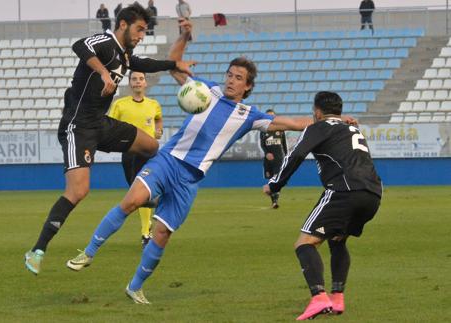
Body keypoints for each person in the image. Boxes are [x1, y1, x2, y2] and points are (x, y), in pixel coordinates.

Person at [65, 20, 356, 304]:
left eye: (238, 78)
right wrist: (183, 35)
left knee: (162, 234)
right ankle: (88, 252)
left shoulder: (249, 114)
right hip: (168, 159)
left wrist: (336, 120)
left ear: (248, 86)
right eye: (229, 74)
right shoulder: (205, 90)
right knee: (131, 201)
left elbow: (292, 123)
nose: (231, 80)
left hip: (190, 179)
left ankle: (135, 287)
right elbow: (175, 62)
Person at [24, 3, 195, 275]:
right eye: (139, 29)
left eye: (145, 31)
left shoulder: (126, 55)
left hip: (101, 125)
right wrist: (103, 72)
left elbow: (145, 64)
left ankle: (141, 191)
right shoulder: (105, 41)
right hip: (77, 127)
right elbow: (80, 45)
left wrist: (176, 63)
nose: (142, 35)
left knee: (150, 145)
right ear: (124, 24)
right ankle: (37, 250)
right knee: (79, 191)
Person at [263, 91, 382, 320]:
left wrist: (275, 184)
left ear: (316, 111)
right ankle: (337, 297)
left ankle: (318, 297)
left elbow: (295, 156)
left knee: (304, 243)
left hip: (344, 191)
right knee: (337, 240)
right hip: (373, 194)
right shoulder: (352, 128)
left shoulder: (317, 127)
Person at [108, 71, 163, 247]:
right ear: (130, 83)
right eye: (134, 79)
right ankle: (150, 221)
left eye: (141, 79)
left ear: (145, 83)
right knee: (136, 193)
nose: (138, 82)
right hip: (129, 152)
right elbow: (109, 125)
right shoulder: (120, 105)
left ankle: (146, 233)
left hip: (148, 153)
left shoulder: (154, 104)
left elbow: (158, 119)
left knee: (142, 192)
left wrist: (158, 130)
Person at [259, 109, 287, 209]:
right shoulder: (263, 130)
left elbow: (284, 145)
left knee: (276, 179)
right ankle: (273, 200)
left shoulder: (280, 130)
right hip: (268, 160)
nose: (270, 118)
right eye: (268, 116)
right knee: (270, 179)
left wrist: (286, 156)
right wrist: (267, 153)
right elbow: (262, 144)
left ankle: (275, 202)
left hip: (279, 158)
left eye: (272, 116)